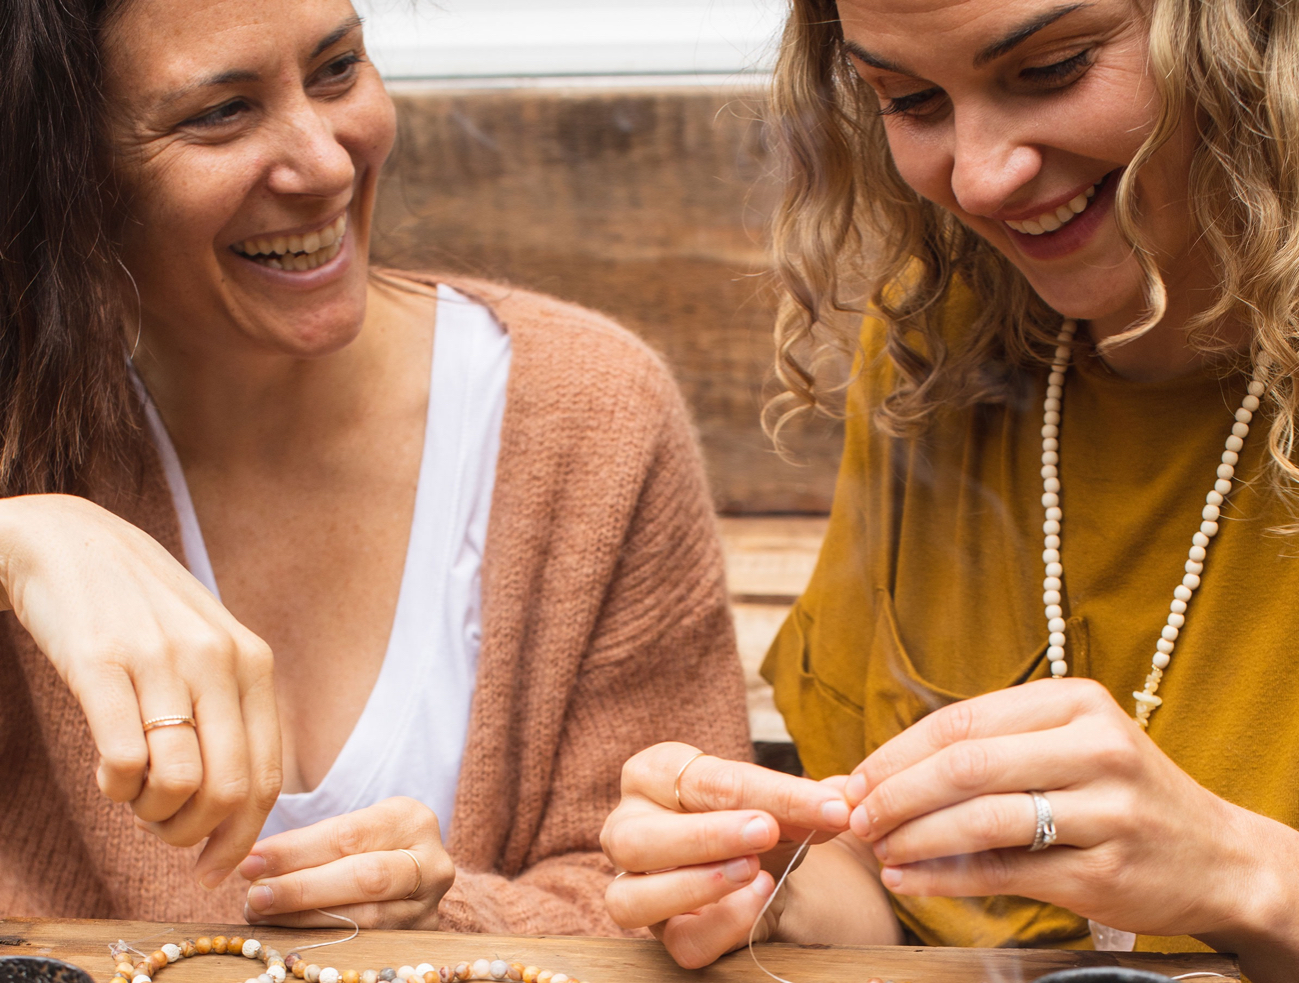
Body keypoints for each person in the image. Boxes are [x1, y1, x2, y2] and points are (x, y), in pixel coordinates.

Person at [602, 0, 1299, 983]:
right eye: (912, 101)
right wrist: (763, 884)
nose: (977, 179)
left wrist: (1249, 879)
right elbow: (895, 899)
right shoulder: (936, 346)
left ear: (1247, 33)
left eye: (1053, 68)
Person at [0, 0, 750, 933]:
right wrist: (20, 541)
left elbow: (687, 887)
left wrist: (449, 917)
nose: (327, 164)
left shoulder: (587, 416)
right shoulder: (21, 421)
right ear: (58, 169)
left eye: (337, 69)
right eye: (222, 112)